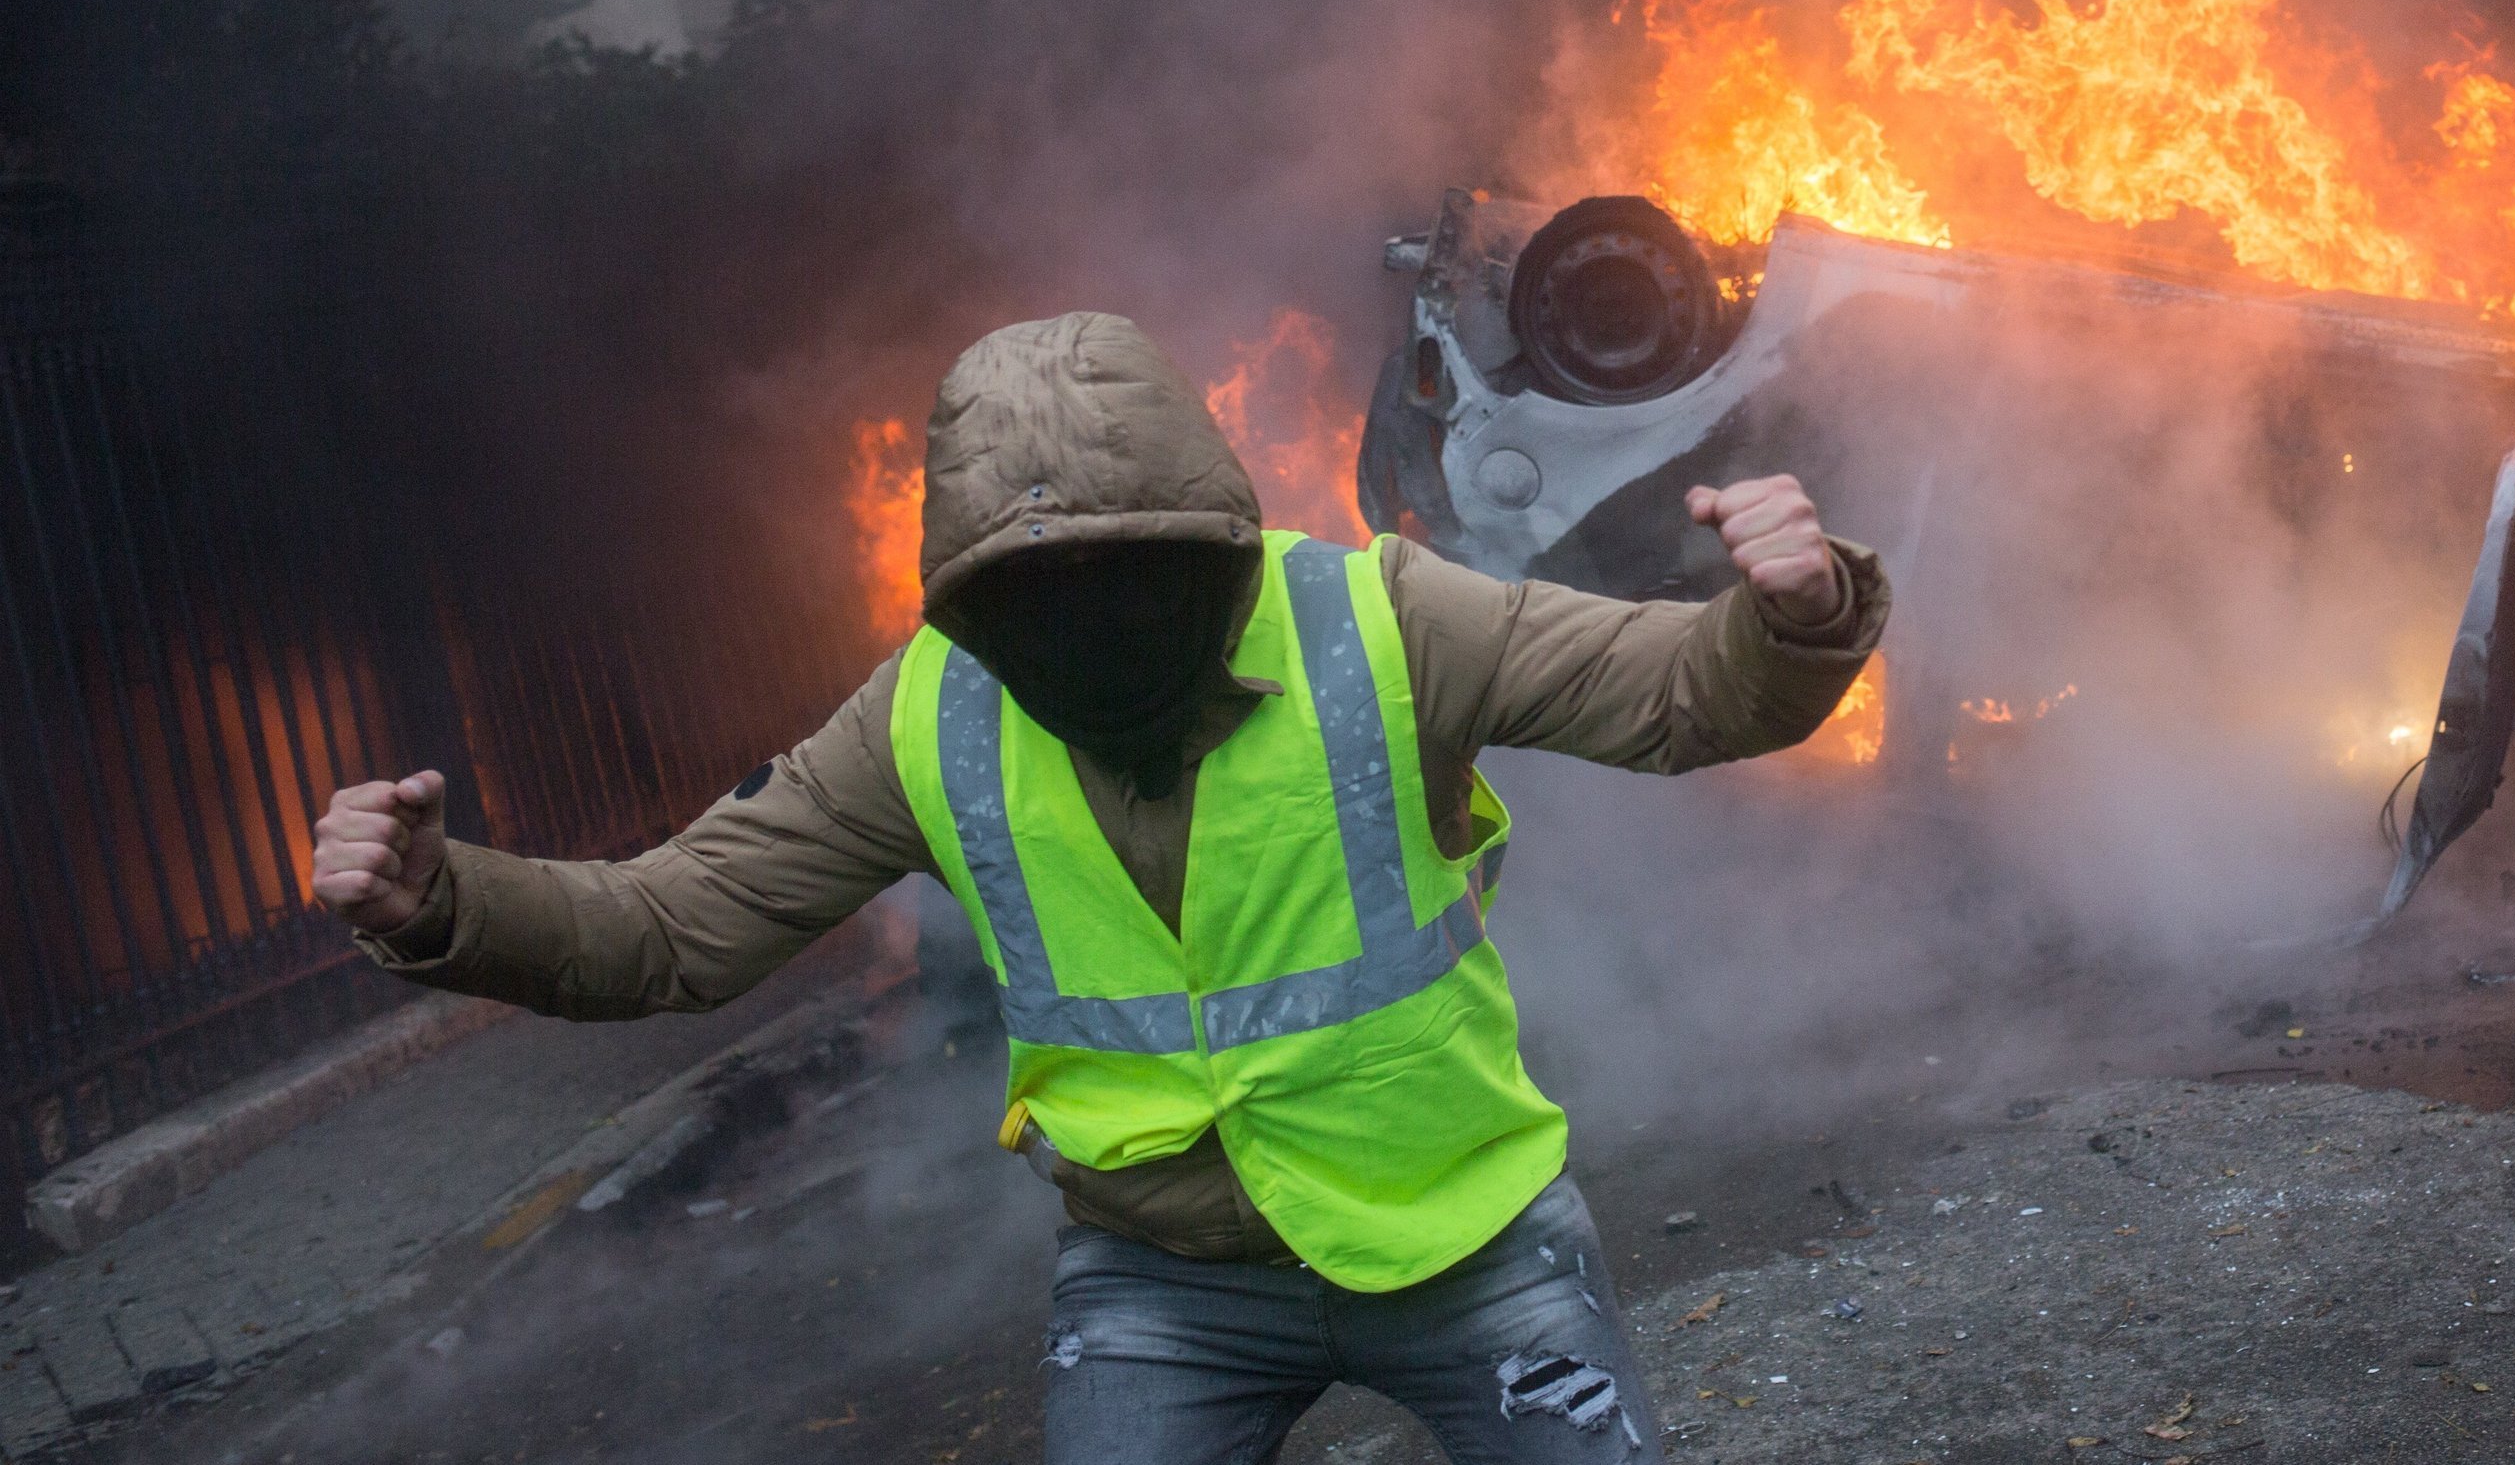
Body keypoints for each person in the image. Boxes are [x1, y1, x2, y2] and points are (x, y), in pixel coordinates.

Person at [312, 312, 1887, 1462]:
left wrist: (1794, 614)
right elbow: (667, 932)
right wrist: (443, 905)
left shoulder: (1378, 619)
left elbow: (1683, 696)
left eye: (1133, 574)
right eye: (1036, 594)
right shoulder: (927, 710)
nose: (1092, 622)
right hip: (1163, 1286)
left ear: (1215, 534)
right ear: (969, 601)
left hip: (1467, 1248)